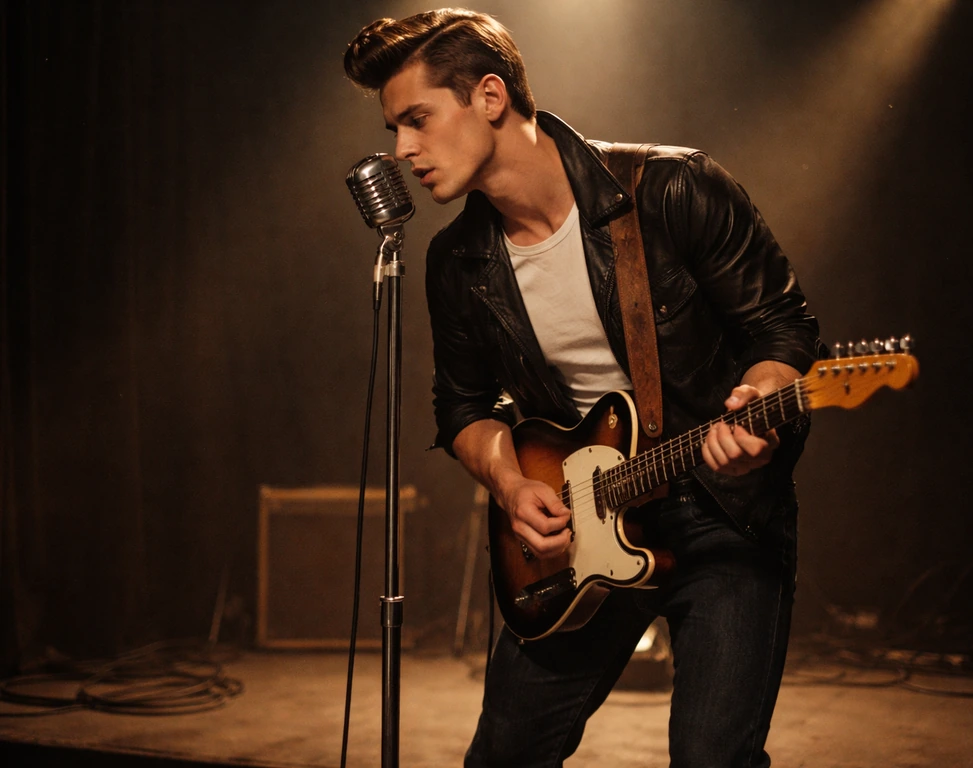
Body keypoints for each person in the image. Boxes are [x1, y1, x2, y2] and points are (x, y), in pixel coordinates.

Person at [345, 8, 823, 767]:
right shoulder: (457, 263)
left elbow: (784, 330)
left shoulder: (674, 189)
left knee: (712, 759)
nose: (402, 151)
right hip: (583, 533)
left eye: (417, 120)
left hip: (722, 517)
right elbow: (462, 408)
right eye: (395, 130)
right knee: (503, 755)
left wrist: (756, 413)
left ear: (491, 97)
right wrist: (507, 483)